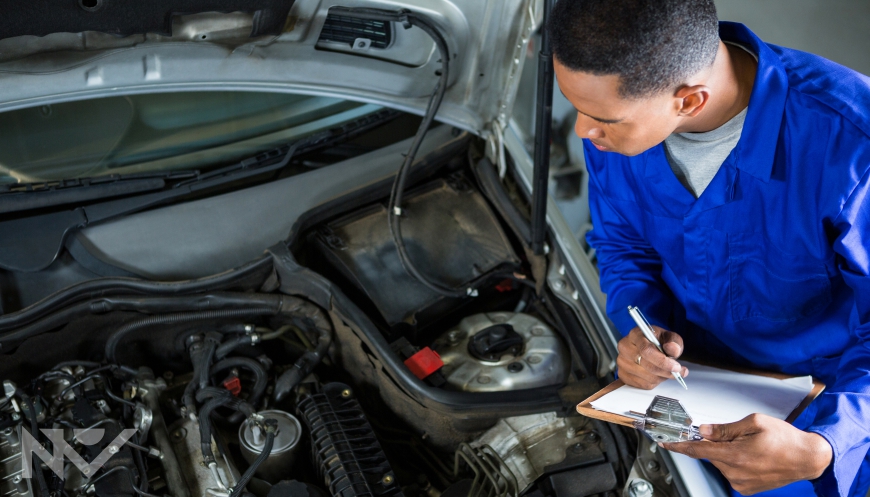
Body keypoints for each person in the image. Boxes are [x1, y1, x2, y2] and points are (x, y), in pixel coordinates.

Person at [547, 0, 870, 495]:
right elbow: (622, 245)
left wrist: (827, 442)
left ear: (690, 101)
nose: (583, 132)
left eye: (600, 118)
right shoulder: (617, 124)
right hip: (691, 395)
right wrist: (642, 329)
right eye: (576, 107)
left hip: (831, 410)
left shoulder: (852, 146)